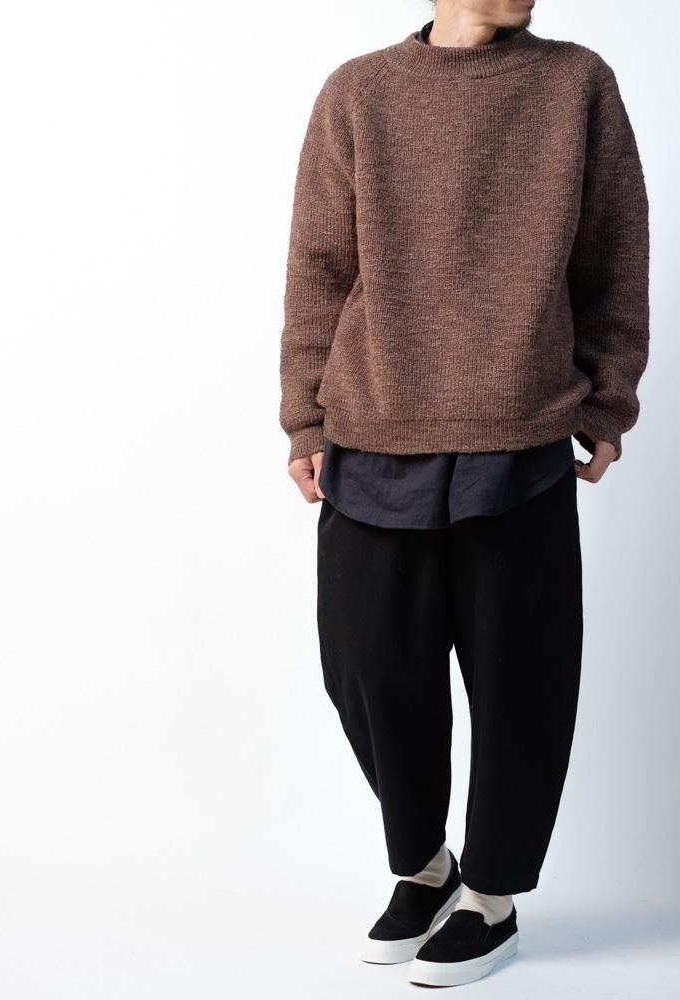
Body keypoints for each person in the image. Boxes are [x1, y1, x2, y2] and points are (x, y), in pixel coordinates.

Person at [278, 0, 649, 988]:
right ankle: (424, 866)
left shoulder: (574, 84)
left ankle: (491, 894)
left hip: (520, 430)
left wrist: (606, 398)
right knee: (366, 666)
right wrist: (304, 417)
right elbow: (320, 266)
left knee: (522, 683)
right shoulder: (359, 92)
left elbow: (613, 250)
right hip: (374, 427)